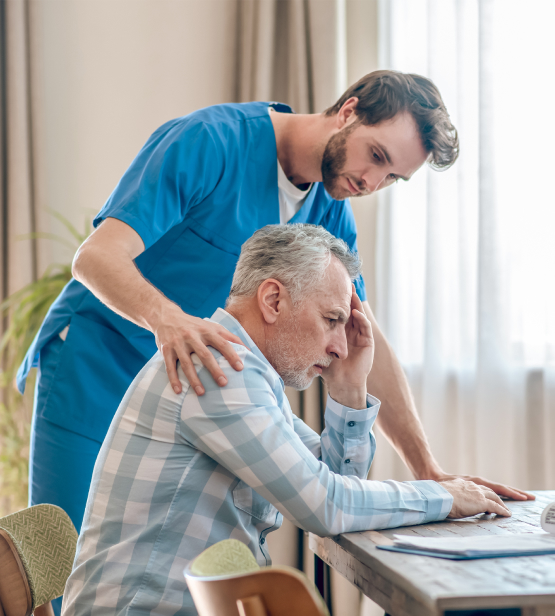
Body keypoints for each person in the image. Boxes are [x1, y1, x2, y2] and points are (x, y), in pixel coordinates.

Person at [18, 70, 533, 534]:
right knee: (67, 559)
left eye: (392, 177)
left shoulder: (330, 209)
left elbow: (362, 336)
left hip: (191, 383)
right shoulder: (210, 142)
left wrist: (429, 471)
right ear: (349, 111)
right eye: (376, 156)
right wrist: (168, 320)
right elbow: (95, 258)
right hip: (96, 364)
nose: (372, 183)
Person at [61, 224, 511, 616]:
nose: (340, 346)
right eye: (332, 319)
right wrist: (442, 496)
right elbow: (325, 505)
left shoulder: (250, 378)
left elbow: (331, 483)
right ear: (273, 299)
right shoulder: (219, 370)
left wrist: (349, 391)